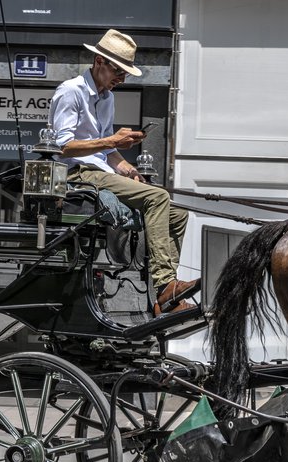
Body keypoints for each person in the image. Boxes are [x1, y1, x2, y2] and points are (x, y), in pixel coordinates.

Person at [49, 29, 198, 316]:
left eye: (125, 73)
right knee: (158, 198)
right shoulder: (71, 91)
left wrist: (127, 168)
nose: (122, 78)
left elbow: (109, 152)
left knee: (178, 214)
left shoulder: (107, 98)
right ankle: (166, 284)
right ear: (98, 62)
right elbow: (62, 146)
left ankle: (164, 296)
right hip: (77, 175)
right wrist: (113, 141)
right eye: (118, 71)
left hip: (100, 171)